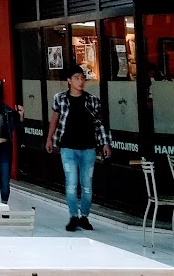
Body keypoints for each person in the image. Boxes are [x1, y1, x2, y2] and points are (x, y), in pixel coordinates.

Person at [46, 66, 111, 232]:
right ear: (69, 80)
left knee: (87, 185)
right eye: (76, 78)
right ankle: (73, 216)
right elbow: (55, 119)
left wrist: (105, 143)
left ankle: (85, 216)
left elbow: (100, 123)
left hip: (88, 148)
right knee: (71, 183)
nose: (80, 81)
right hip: (68, 147)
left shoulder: (92, 100)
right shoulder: (60, 98)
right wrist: (49, 138)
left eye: (82, 78)